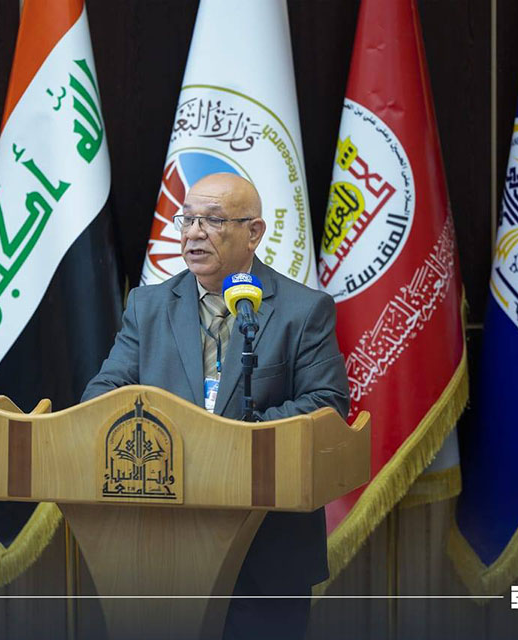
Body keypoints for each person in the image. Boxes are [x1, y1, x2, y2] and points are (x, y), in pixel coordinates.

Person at [82, 173, 350, 639]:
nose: (194, 232)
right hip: (162, 547)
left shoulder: (303, 311)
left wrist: (231, 439)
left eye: (213, 220)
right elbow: (103, 394)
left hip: (266, 553)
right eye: (187, 220)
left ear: (254, 233)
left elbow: (326, 404)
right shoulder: (147, 307)